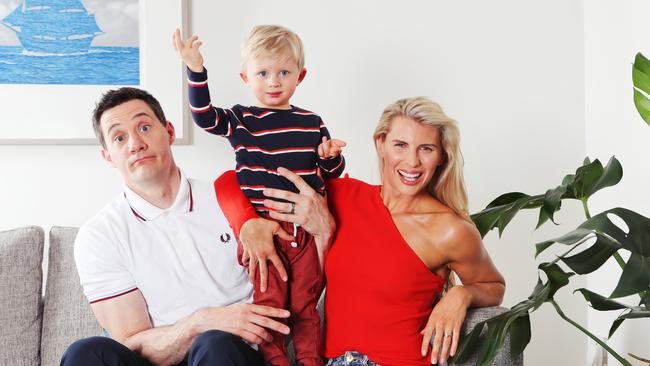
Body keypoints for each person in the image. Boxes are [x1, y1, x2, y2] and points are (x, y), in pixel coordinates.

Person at [215, 96, 506, 366]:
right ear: (380, 144)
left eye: (426, 149)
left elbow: (493, 286)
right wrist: (248, 222)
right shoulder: (341, 197)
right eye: (400, 145)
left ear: (441, 156)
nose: (412, 162)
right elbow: (228, 181)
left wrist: (460, 296)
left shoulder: (450, 229)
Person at [60, 87, 293, 366]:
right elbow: (132, 340)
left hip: (229, 354)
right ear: (108, 156)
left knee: (214, 343)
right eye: (119, 137)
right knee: (86, 353)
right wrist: (198, 322)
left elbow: (294, 267)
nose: (135, 144)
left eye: (144, 127)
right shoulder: (98, 236)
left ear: (169, 132)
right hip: (159, 358)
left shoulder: (229, 198)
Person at [173, 25, 345, 366]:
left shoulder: (312, 123)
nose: (273, 82)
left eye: (284, 72)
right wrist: (195, 69)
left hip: (305, 233)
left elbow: (332, 175)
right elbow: (205, 118)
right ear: (246, 77)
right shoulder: (241, 119)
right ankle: (275, 360)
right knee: (270, 304)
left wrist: (330, 157)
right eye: (263, 73)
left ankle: (311, 360)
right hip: (264, 234)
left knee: (305, 305)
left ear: (301, 76)